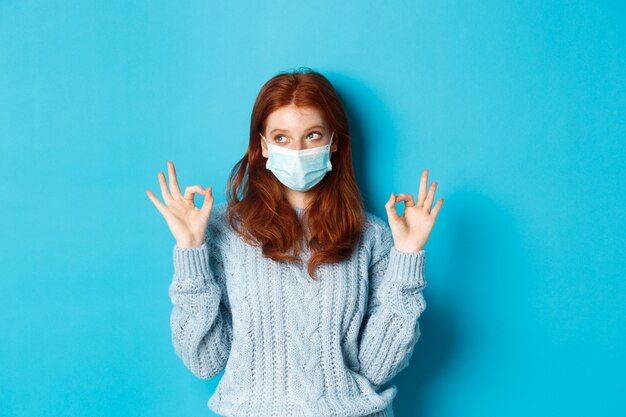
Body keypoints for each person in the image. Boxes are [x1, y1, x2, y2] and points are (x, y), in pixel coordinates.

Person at [146, 67, 443, 417]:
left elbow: (378, 367)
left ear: (334, 142)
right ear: (263, 145)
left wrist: (407, 257)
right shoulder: (223, 230)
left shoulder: (371, 236)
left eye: (313, 135)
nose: (297, 150)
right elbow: (204, 361)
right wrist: (191, 252)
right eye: (282, 138)